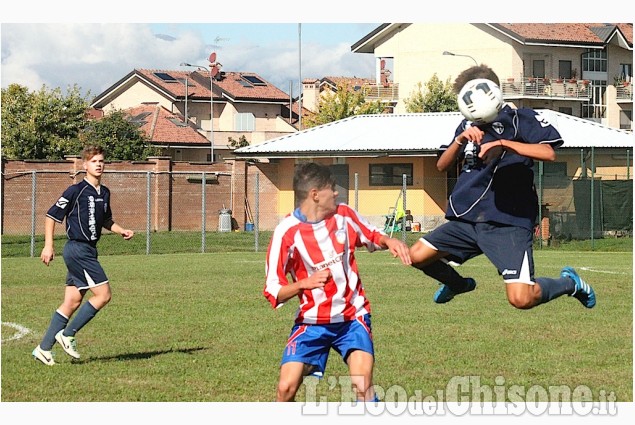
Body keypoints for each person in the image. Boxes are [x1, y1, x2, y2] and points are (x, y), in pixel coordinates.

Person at [409, 64, 596, 310]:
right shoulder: (468, 124)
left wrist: (504, 144)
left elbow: (548, 152)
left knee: (522, 299)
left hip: (508, 222)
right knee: (416, 256)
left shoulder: (522, 119)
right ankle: (458, 284)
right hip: (468, 221)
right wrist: (459, 140)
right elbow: (442, 165)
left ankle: (569, 284)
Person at [264, 162, 412, 402]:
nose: (335, 192)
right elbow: (273, 291)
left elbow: (371, 235)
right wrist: (304, 283)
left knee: (363, 386)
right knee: (285, 388)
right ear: (314, 195)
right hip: (311, 322)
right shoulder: (286, 232)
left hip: (352, 318)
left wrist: (389, 241)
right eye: (331, 188)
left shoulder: (344, 215)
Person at [32, 145, 134, 365]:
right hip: (77, 249)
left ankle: (43, 348)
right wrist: (48, 246)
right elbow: (51, 216)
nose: (99, 164)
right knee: (103, 295)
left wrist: (121, 230)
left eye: (101, 161)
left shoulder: (104, 192)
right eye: (94, 161)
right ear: (85, 165)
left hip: (89, 250)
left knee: (72, 300)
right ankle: (68, 334)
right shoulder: (75, 190)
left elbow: (106, 220)